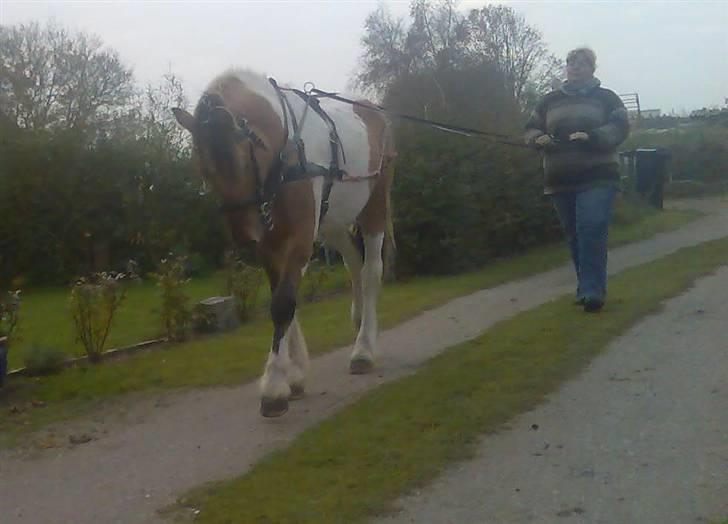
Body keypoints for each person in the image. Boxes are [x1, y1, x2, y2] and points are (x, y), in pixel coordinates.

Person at [525, 47, 630, 312]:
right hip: (560, 179)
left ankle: (592, 291)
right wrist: (538, 139)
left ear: (592, 68)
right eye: (571, 63)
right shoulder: (548, 100)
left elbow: (620, 127)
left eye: (581, 63)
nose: (575, 67)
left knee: (591, 227)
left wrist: (592, 137)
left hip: (598, 176)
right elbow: (530, 128)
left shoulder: (607, 98)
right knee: (574, 234)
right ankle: (586, 286)